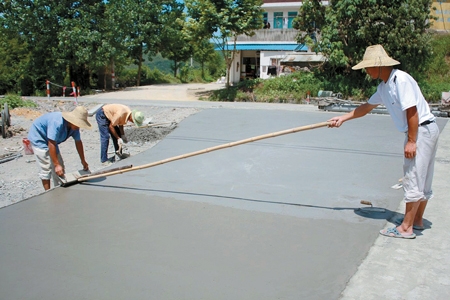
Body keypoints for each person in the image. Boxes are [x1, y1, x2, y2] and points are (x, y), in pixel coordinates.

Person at [328, 44, 439, 239]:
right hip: (425, 130)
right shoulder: (384, 87)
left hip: (420, 130)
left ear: (379, 66)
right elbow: (366, 107)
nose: (366, 71)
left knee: (413, 176)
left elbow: (412, 111)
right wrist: (342, 119)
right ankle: (417, 221)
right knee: (421, 177)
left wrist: (412, 141)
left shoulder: (401, 80)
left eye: (368, 67)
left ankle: (406, 228)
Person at [28, 106, 92, 190]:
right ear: (72, 120)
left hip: (52, 141)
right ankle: (48, 193)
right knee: (46, 167)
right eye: (78, 123)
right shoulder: (57, 122)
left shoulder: (74, 127)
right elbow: (51, 143)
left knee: (60, 167)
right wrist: (56, 164)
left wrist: (83, 161)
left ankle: (59, 190)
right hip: (39, 137)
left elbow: (78, 142)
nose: (78, 127)